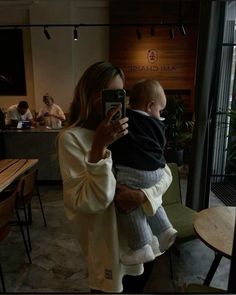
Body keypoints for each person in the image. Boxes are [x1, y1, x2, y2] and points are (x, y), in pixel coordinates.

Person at [57, 61, 172, 293]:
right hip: (110, 254)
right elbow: (90, 202)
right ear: (89, 95)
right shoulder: (71, 139)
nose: (118, 101)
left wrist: (142, 196)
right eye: (110, 93)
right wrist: (99, 146)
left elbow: (164, 173)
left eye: (121, 93)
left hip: (144, 246)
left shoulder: (130, 128)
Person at [109, 79, 177, 266]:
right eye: (159, 110)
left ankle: (140, 246)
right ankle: (165, 230)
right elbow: (161, 145)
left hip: (133, 172)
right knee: (148, 197)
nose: (159, 115)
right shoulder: (157, 125)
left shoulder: (124, 118)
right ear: (150, 106)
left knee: (126, 203)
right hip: (157, 170)